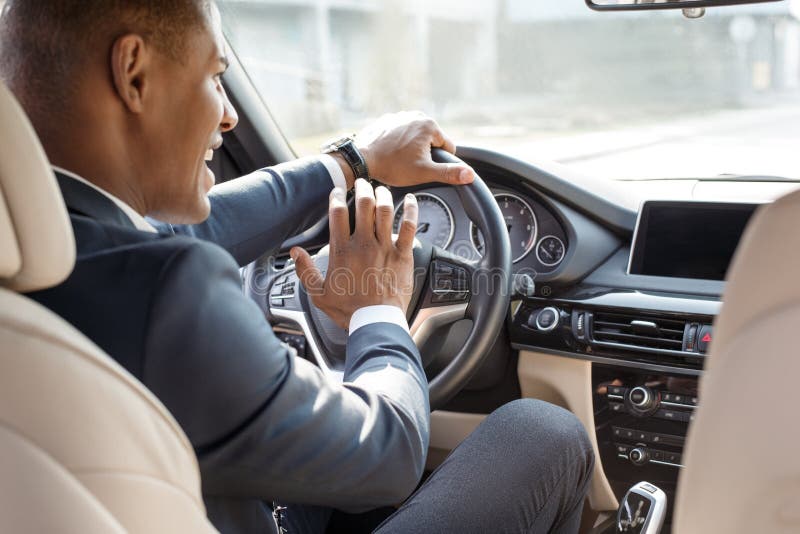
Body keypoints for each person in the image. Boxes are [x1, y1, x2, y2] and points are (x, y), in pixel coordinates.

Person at [0, 1, 594, 532]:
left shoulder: (49, 245)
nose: (229, 116)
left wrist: (351, 162)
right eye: (214, 77)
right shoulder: (167, 294)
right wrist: (379, 310)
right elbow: (387, 455)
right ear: (134, 74)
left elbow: (185, 230)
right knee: (544, 434)